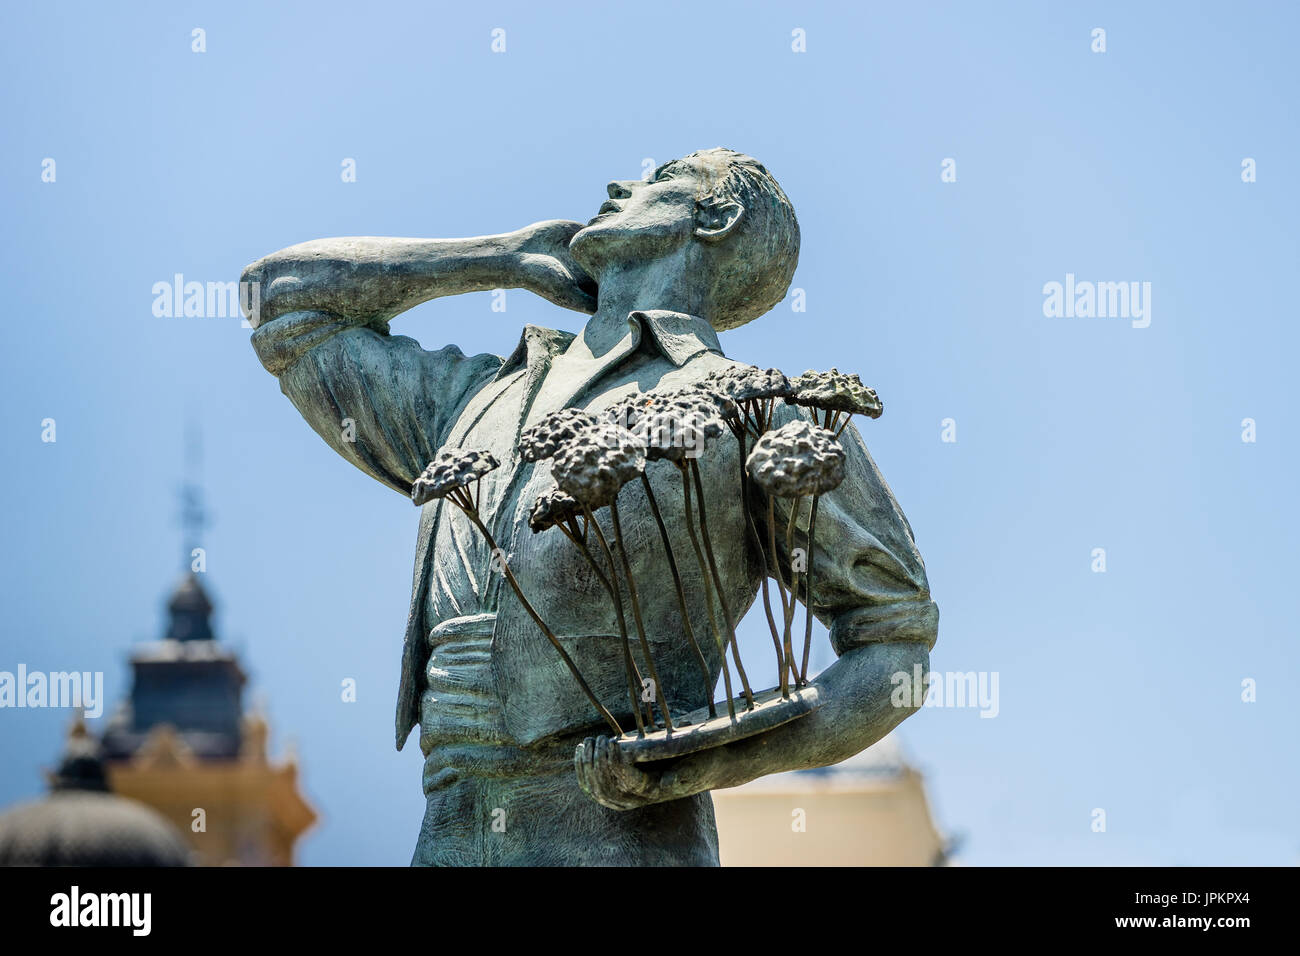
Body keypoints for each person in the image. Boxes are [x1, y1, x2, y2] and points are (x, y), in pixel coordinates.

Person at [242, 148, 938, 865]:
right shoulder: (472, 401)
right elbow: (279, 302)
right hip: (448, 833)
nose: (618, 184)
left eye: (659, 179)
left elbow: (895, 647)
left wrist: (711, 763)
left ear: (718, 214)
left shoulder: (761, 410)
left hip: (625, 842)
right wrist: (502, 258)